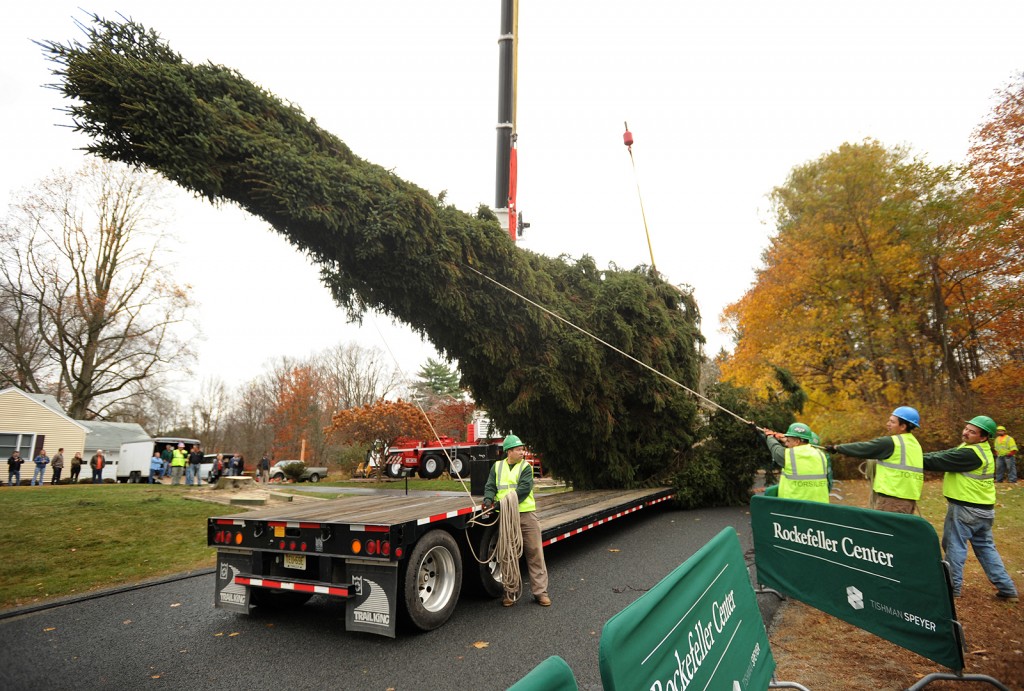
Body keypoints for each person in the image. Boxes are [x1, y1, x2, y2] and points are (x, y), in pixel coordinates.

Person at [922, 415, 1018, 601]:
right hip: (984, 510)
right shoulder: (975, 449)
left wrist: (909, 458)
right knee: (986, 548)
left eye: (972, 431)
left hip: (966, 510)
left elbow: (937, 461)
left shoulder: (970, 454)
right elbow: (942, 455)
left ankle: (951, 589)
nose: (966, 432)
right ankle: (1007, 589)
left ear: (983, 437)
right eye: (966, 428)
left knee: (954, 546)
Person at [482, 435, 551, 608]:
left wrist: (500, 503)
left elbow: (523, 490)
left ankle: (540, 592)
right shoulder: (497, 467)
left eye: (522, 449)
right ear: (509, 451)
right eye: (519, 449)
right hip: (506, 516)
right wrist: (488, 500)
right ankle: (510, 592)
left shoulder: (525, 467)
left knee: (534, 552)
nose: (522, 452)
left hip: (526, 514)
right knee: (507, 554)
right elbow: (490, 486)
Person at [824, 406, 923, 514]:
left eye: (892, 422)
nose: (888, 424)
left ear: (903, 426)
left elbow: (864, 448)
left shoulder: (891, 443)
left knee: (884, 530)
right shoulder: (914, 444)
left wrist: (837, 448)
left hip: (892, 499)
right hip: (908, 499)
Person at [756, 422, 830, 503]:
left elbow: (775, 449)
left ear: (797, 442)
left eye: (788, 441)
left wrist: (769, 436)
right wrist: (782, 437)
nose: (786, 444)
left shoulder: (790, 456)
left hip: (796, 506)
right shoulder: (820, 454)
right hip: (820, 506)